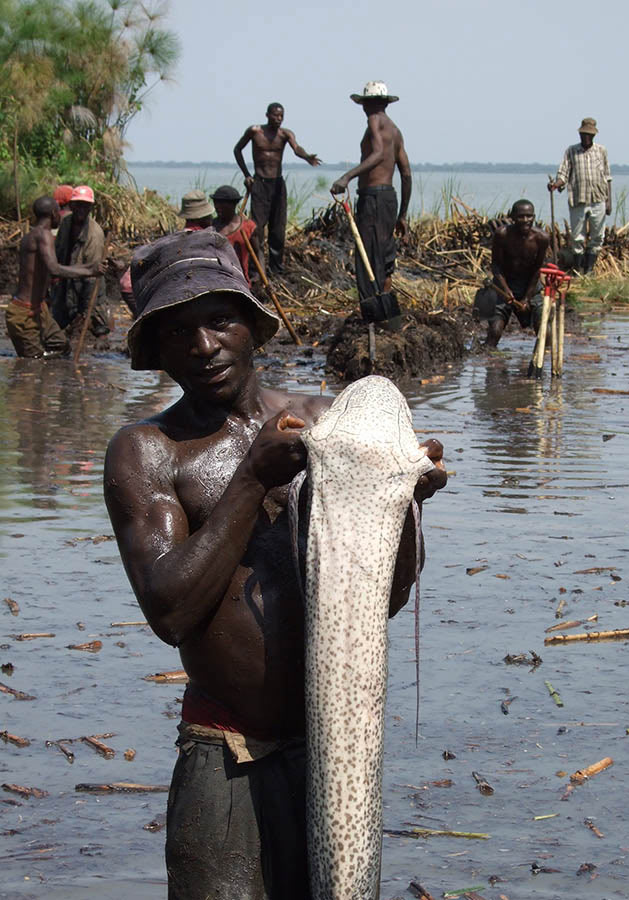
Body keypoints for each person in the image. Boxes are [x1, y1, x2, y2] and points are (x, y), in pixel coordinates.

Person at [103, 229, 446, 900]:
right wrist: (251, 481)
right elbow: (170, 611)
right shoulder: (148, 452)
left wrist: (401, 506)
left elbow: (383, 599)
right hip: (225, 748)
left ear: (252, 325)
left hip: (333, 751)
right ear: (157, 350)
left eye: (219, 320)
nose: (203, 347)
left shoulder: (325, 423)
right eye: (178, 333)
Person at [330, 81, 411, 324]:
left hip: (374, 198)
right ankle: (383, 302)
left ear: (377, 104)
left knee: (367, 254)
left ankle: (373, 312)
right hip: (388, 198)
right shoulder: (396, 131)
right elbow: (406, 174)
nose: (367, 108)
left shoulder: (374, 121)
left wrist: (347, 177)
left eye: (369, 103)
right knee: (383, 252)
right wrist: (402, 214)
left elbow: (376, 155)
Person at [6, 196, 100, 358]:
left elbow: (52, 268)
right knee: (32, 362)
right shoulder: (43, 235)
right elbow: (54, 269)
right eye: (59, 213)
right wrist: (90, 271)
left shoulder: (32, 235)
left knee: (61, 346)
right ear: (54, 213)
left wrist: (91, 267)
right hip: (23, 314)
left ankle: (45, 371)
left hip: (39, 311)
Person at [234, 102, 321, 274]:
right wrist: (247, 175)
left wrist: (307, 157)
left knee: (278, 230)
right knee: (257, 229)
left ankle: (276, 270)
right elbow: (237, 150)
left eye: (281, 116)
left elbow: (297, 149)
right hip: (260, 184)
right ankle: (256, 270)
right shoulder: (255, 131)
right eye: (275, 115)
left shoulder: (285, 134)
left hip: (277, 185)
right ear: (267, 115)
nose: (279, 119)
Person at [476, 200, 549, 347]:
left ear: (534, 217)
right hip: (505, 283)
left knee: (546, 334)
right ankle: (491, 362)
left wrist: (527, 299)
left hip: (530, 286)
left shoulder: (541, 238)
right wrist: (506, 290)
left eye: (529, 216)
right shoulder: (502, 235)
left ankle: (540, 365)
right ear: (512, 217)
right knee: (494, 332)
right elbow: (495, 266)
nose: (525, 221)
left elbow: (537, 271)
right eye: (521, 216)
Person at [548, 117, 612, 274]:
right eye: (583, 134)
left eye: (589, 135)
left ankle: (589, 270)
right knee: (577, 237)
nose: (586, 137)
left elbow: (607, 177)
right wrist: (556, 185)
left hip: (598, 199)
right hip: (578, 199)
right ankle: (578, 270)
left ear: (594, 136)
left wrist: (609, 201)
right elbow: (563, 173)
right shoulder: (571, 151)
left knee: (597, 237)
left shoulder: (601, 151)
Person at [51, 184, 110, 337]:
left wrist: (85, 313)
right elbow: (58, 251)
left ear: (90, 208)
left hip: (87, 282)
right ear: (71, 205)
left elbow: (93, 275)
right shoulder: (65, 223)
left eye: (85, 206)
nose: (81, 210)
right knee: (57, 321)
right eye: (78, 205)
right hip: (67, 278)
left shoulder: (94, 235)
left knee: (96, 324)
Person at [211, 184, 263, 287]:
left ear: (233, 204)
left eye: (222, 203)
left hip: (241, 282)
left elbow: (258, 252)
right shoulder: (211, 227)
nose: (218, 206)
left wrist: (260, 275)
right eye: (216, 202)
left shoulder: (247, 227)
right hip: (216, 281)